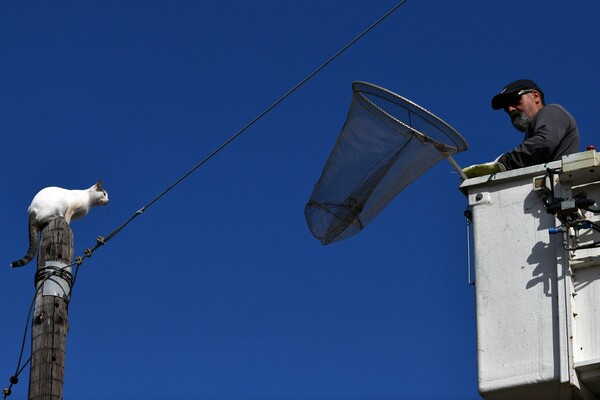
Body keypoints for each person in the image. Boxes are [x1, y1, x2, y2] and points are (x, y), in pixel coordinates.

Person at [463, 79, 580, 178]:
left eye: (515, 100)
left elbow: (544, 142)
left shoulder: (551, 111)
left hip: (561, 191)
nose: (510, 109)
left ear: (536, 96)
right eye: (506, 107)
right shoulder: (532, 133)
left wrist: (503, 163)